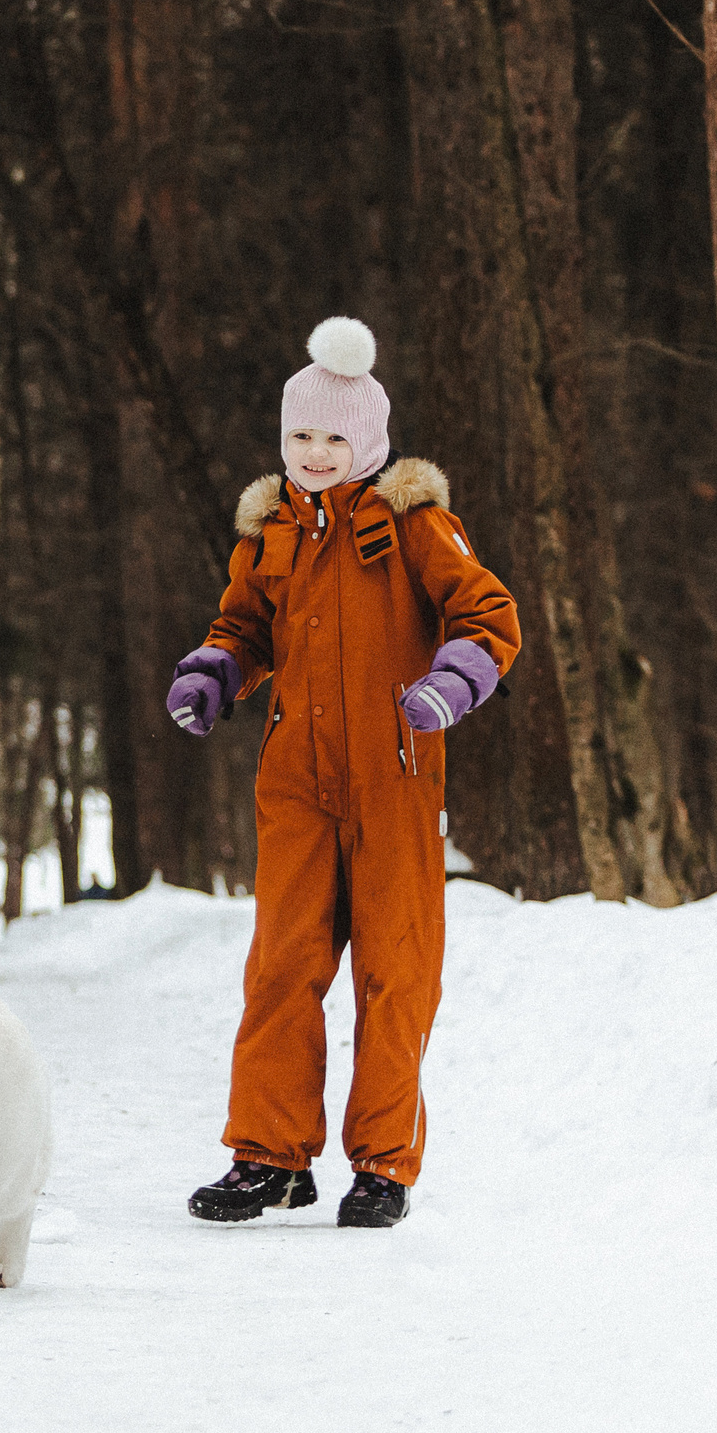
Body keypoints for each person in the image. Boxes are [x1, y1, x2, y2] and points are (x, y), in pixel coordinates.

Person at [163, 317, 519, 1229]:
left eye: (332, 437)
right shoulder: (271, 532)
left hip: (394, 779)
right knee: (282, 965)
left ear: (366, 440)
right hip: (296, 782)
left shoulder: (413, 525)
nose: (314, 454)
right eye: (298, 437)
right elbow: (241, 627)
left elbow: (488, 613)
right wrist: (214, 675)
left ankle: (384, 1164)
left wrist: (452, 681)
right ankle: (270, 1156)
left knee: (396, 971)